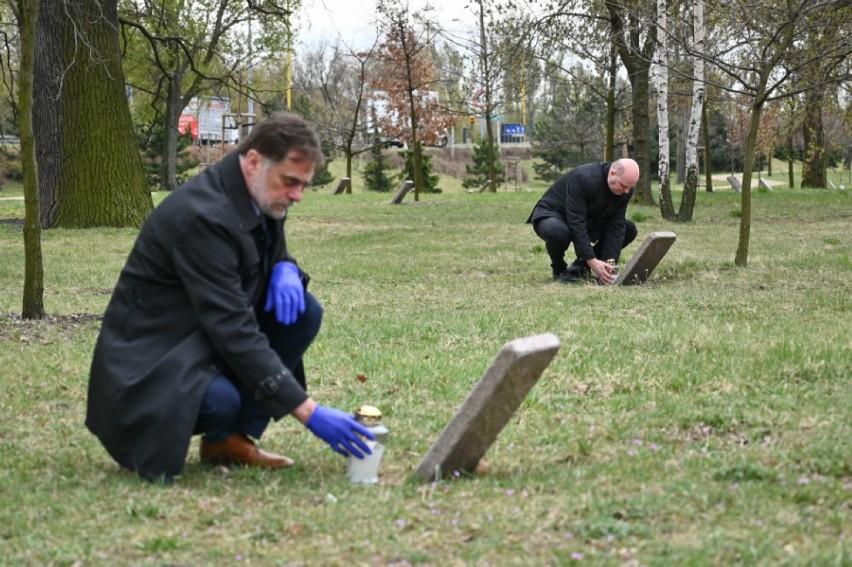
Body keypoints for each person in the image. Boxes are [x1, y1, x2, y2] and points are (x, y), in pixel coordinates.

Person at [86, 112, 374, 483]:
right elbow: (232, 327)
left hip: (197, 334)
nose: (297, 196)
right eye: (291, 182)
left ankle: (227, 441)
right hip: (149, 363)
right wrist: (309, 412)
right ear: (254, 161)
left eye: (303, 184)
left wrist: (287, 268)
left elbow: (267, 252)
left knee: (303, 312)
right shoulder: (202, 217)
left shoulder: (259, 191)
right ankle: (180, 430)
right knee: (220, 401)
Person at [527, 158, 640, 285]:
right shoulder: (584, 178)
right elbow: (576, 222)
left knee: (628, 229)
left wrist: (609, 266)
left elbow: (616, 226)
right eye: (624, 186)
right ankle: (560, 270)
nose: (626, 191)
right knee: (558, 232)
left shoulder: (625, 189)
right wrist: (591, 260)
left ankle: (580, 267)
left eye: (630, 187)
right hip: (553, 214)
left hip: (588, 217)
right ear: (613, 173)